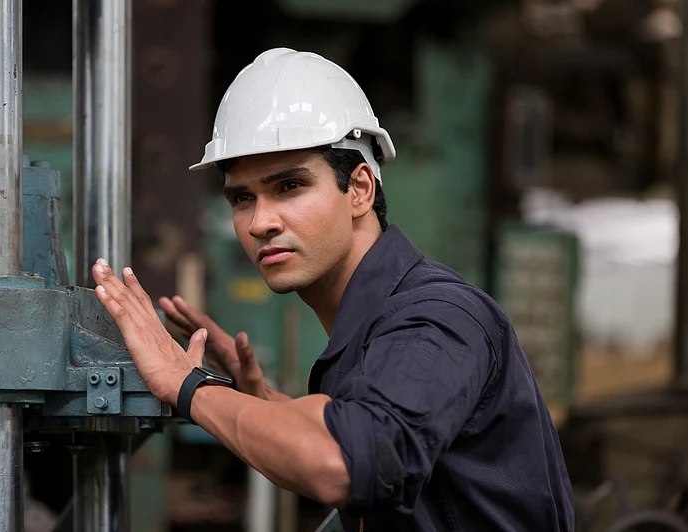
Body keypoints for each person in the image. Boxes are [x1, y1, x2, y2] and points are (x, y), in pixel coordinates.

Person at [91, 47, 575, 531]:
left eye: (290, 186)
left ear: (360, 188)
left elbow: (341, 461)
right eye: (243, 198)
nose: (261, 222)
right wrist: (252, 400)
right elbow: (356, 431)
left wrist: (186, 386)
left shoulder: (436, 318)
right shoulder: (370, 332)